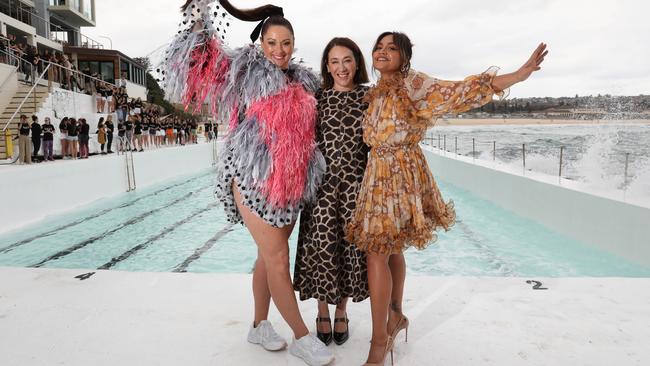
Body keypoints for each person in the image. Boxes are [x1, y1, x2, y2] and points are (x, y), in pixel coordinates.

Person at [345, 32, 548, 365]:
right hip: (377, 174)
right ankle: (395, 316)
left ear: (404, 56)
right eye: (378, 47)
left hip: (400, 172)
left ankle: (379, 340)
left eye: (391, 48)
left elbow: (459, 92)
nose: (382, 52)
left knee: (376, 253)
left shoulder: (414, 84)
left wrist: (518, 74)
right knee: (390, 247)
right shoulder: (374, 92)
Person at [166, 1, 331, 365]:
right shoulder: (244, 70)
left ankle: (258, 326)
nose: (279, 50)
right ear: (261, 44)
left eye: (286, 43)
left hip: (290, 185)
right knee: (277, 257)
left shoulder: (305, 79)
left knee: (266, 257)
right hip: (252, 176)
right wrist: (198, 16)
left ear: (294, 43)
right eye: (272, 43)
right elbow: (205, 58)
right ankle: (302, 338)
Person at [293, 37, 370, 347]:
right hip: (323, 188)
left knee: (350, 252)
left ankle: (342, 311)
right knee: (321, 249)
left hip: (356, 187)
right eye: (335, 61)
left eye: (347, 60)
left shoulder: (368, 98)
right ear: (326, 65)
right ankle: (322, 311)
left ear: (357, 63)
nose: (342, 68)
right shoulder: (316, 97)